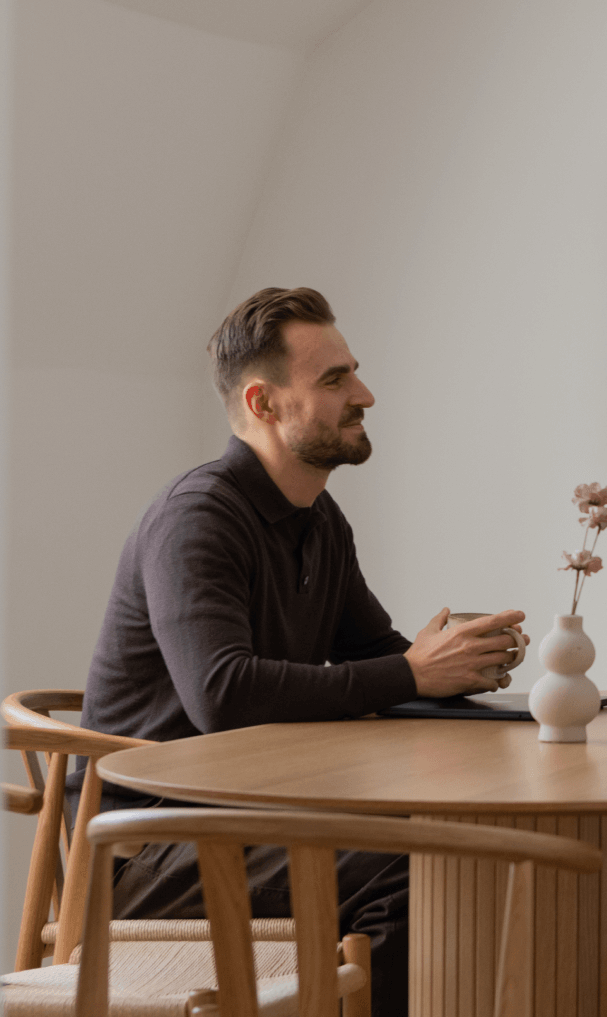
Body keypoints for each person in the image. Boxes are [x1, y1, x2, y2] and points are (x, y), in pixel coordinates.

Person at [79, 287, 526, 1017]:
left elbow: (377, 659)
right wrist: (411, 669)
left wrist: (459, 664)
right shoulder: (196, 519)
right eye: (334, 380)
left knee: (460, 842)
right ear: (263, 403)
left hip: (246, 819)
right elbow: (222, 695)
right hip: (153, 843)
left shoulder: (318, 520)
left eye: (354, 371)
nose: (365, 394)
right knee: (426, 866)